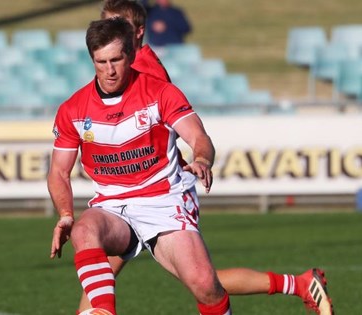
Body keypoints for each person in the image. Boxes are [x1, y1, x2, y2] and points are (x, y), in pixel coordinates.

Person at [67, 1, 335, 314]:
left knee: (201, 282)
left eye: (118, 25)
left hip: (160, 193)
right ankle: (301, 284)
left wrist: (190, 159)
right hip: (129, 195)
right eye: (105, 25)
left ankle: (299, 284)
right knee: (100, 272)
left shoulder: (145, 70)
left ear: (137, 33)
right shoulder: (123, 66)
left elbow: (171, 124)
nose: (109, 33)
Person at [48, 17, 231, 315]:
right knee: (83, 230)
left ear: (131, 55)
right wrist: (66, 214)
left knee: (206, 285)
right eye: (101, 61)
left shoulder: (159, 93)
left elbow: (198, 136)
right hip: (112, 205)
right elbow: (58, 172)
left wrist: (201, 159)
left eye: (116, 60)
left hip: (162, 199)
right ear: (92, 59)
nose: (109, 70)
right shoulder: (73, 109)